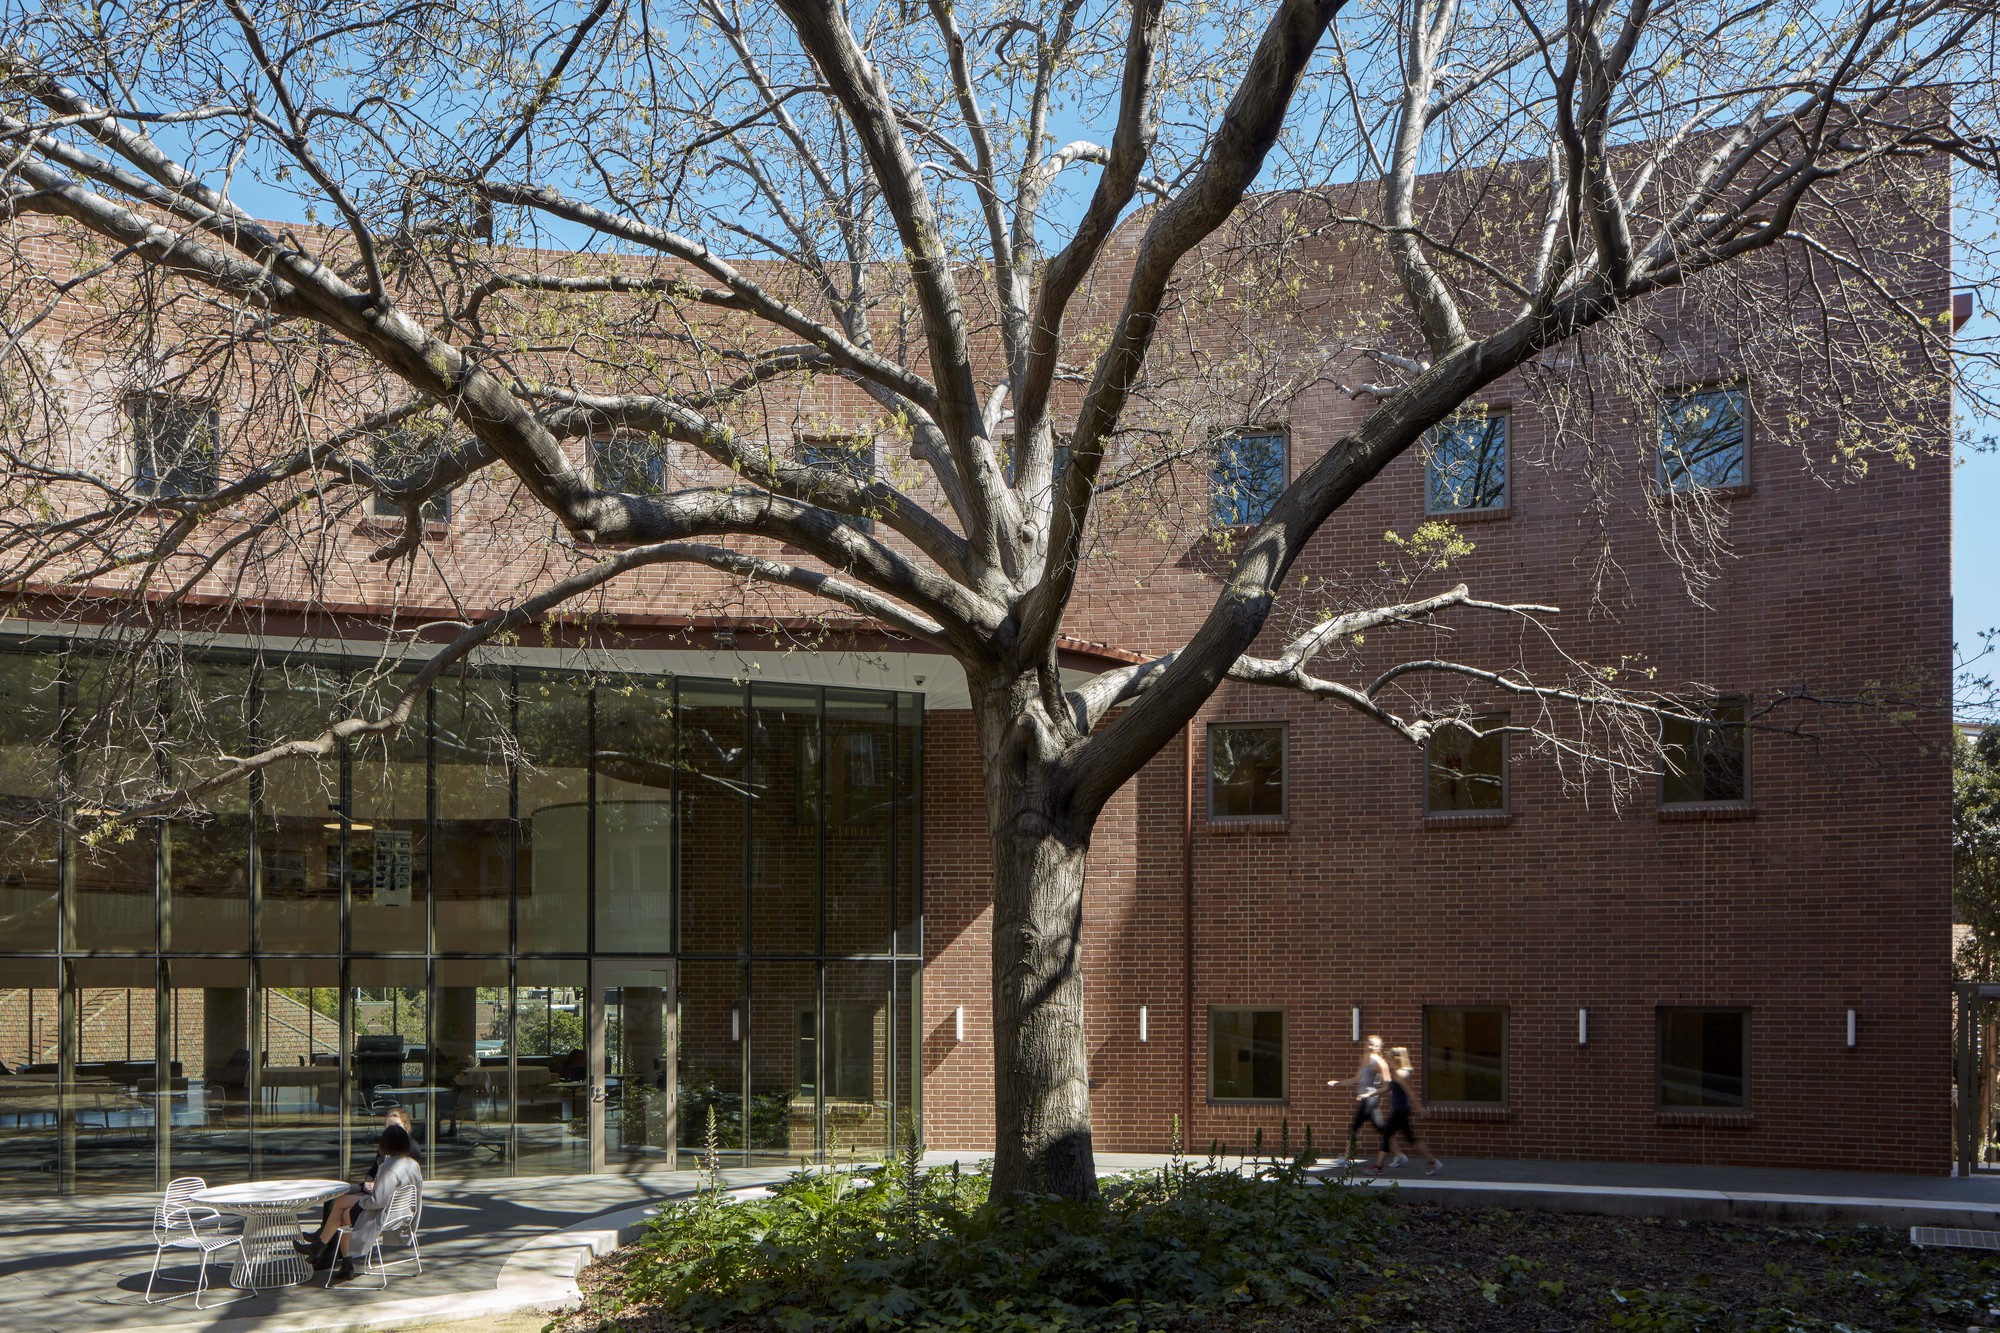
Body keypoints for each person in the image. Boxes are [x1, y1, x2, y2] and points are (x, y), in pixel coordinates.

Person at [298, 1122, 422, 1280]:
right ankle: (327, 1253)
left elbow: (378, 1201)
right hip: (403, 1214)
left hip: (383, 1215)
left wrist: (361, 1201)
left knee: (342, 1216)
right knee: (341, 1202)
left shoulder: (388, 1167)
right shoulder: (413, 1164)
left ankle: (325, 1250)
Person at [1374, 1047, 1442, 1175]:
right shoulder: (1398, 1073)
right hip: (1400, 1111)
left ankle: (1378, 1167)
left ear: (1396, 1058)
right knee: (1411, 1139)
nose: (1388, 1062)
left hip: (1400, 1112)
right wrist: (1370, 1094)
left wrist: (1418, 1108)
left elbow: (1410, 1093)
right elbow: (1388, 1088)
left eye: (1389, 1059)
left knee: (1387, 1135)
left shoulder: (1400, 1074)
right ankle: (1432, 1161)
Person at [1327, 1035, 1391, 1162]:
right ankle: (1399, 1155)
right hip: (1364, 1099)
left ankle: (1346, 1157)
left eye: (1374, 1045)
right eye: (1369, 1043)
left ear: (1379, 1048)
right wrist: (1338, 1083)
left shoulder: (1380, 1063)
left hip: (1370, 1100)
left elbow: (1387, 1085)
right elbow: (1358, 1078)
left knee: (1355, 1127)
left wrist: (1371, 1095)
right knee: (1381, 1128)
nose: (1370, 1046)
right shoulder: (1365, 1058)